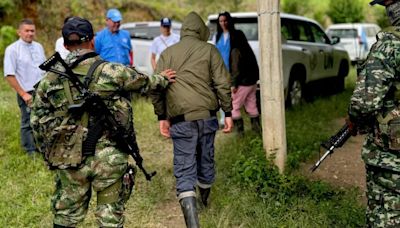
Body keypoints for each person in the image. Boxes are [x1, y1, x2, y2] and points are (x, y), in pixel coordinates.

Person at [30, 17, 175, 228]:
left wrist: (51, 153)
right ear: (93, 40)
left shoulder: (48, 80)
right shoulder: (112, 71)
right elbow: (147, 83)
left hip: (69, 158)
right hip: (110, 157)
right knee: (110, 217)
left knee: (66, 217)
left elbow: (36, 122)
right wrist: (163, 78)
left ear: (64, 43)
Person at [150, 11, 233, 228]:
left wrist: (162, 116)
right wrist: (229, 113)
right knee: (206, 158)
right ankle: (204, 201)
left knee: (185, 167)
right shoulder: (210, 50)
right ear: (201, 31)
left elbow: (156, 87)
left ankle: (193, 224)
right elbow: (223, 84)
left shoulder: (167, 54)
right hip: (207, 118)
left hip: (180, 120)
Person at [348, 0, 400, 227]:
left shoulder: (390, 45)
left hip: (392, 159)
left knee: (386, 215)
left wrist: (356, 120)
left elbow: (364, 103)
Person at [3, 18, 46, 156]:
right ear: (19, 32)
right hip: (26, 91)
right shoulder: (12, 50)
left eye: (32, 30)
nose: (30, 33)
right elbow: (9, 75)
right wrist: (23, 94)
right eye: (26, 30)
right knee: (28, 121)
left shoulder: (38, 47)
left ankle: (42, 147)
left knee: (43, 119)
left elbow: (44, 68)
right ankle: (30, 151)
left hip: (41, 90)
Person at [228, 18, 260, 135]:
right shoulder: (247, 49)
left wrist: (234, 84)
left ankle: (240, 135)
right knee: (251, 106)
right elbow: (256, 66)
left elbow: (235, 69)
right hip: (252, 83)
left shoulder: (235, 51)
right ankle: (257, 132)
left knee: (234, 107)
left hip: (242, 83)